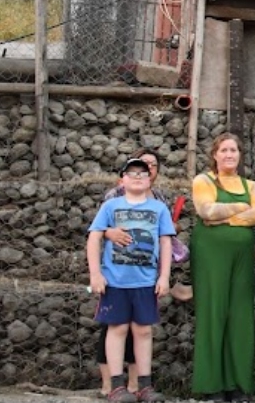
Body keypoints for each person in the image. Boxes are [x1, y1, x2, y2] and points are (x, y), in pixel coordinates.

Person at [95, 149, 189, 398]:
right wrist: (96, 274)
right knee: (116, 329)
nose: (138, 176)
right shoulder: (110, 204)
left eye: (144, 172)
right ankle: (116, 385)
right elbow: (94, 236)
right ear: (121, 180)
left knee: (144, 330)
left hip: (146, 279)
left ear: (151, 178)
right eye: (132, 172)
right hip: (115, 279)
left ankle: (144, 385)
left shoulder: (159, 207)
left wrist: (164, 276)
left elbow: (166, 241)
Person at [190, 133, 255, 398]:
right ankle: (212, 386)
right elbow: (206, 211)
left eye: (233, 150)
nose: (229, 155)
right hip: (210, 255)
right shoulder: (204, 180)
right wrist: (240, 207)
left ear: (239, 154)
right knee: (213, 313)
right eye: (223, 150)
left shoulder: (251, 185)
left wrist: (227, 219)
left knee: (241, 316)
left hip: (242, 257)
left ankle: (238, 385)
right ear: (214, 154)